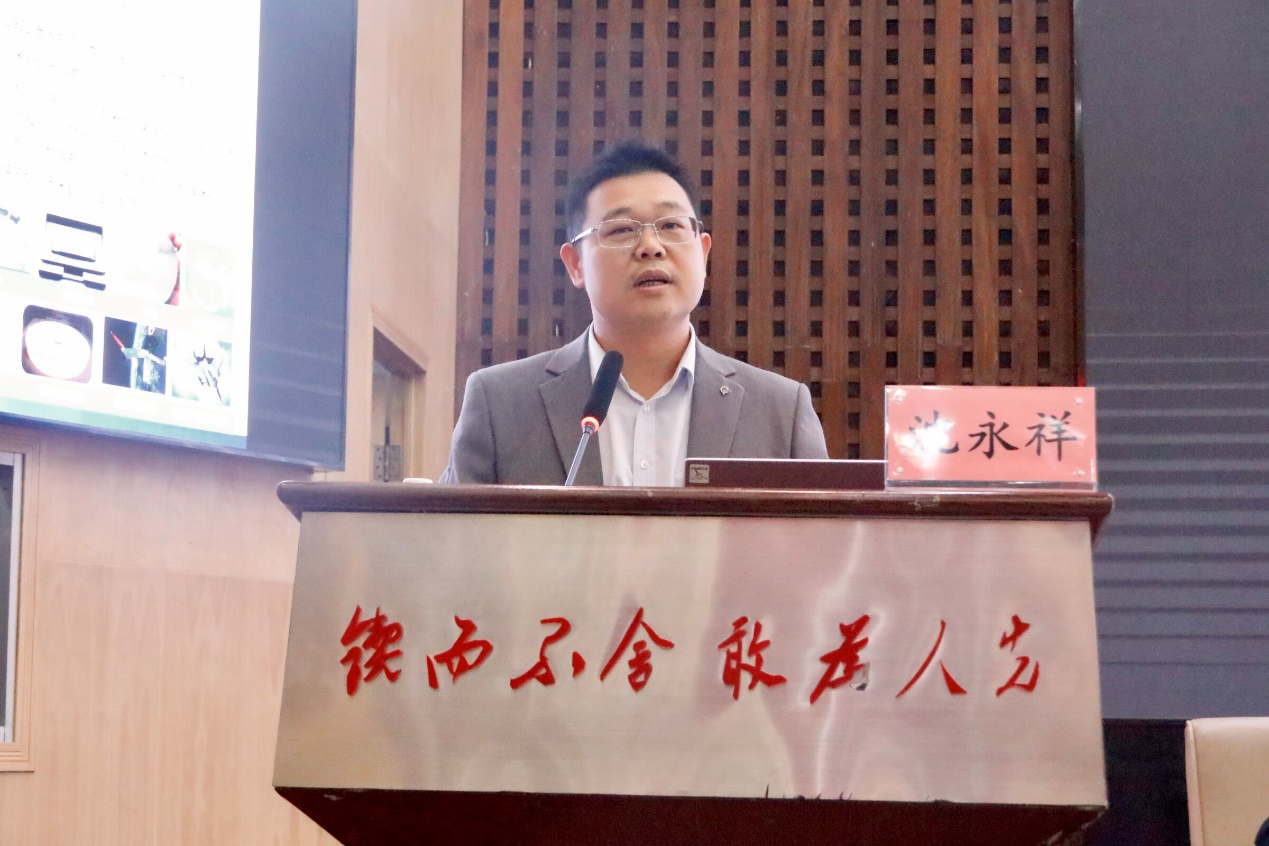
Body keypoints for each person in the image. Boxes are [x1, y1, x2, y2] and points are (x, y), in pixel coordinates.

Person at [440, 141, 828, 485]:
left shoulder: (779, 412)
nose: (650, 246)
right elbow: (452, 539)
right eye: (621, 230)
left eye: (671, 225)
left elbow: (820, 543)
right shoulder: (501, 404)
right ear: (575, 264)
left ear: (703, 252)